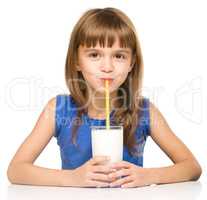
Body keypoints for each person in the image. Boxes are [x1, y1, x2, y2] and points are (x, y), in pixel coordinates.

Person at [7, 7, 202, 188]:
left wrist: (148, 176)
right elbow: (16, 170)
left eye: (119, 56)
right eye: (94, 55)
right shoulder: (58, 109)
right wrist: (72, 178)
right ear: (76, 61)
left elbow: (192, 167)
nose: (107, 67)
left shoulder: (142, 110)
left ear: (132, 63)